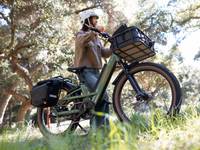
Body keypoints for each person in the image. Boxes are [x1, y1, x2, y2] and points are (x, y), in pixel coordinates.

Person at [73, 10, 112, 128]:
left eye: (96, 19)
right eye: (94, 19)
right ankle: (97, 127)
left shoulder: (96, 39)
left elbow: (104, 53)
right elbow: (82, 41)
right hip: (85, 71)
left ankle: (104, 126)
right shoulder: (80, 34)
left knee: (103, 97)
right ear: (87, 21)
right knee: (100, 95)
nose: (96, 21)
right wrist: (95, 32)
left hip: (96, 72)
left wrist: (114, 47)